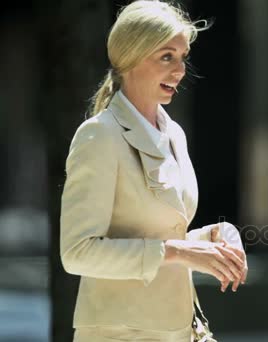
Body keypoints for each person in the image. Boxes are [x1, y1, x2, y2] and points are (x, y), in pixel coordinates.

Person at [60, 1, 247, 341]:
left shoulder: (174, 133)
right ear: (131, 57)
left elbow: (157, 236)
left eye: (182, 57)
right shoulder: (99, 134)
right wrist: (180, 251)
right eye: (166, 57)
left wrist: (210, 241)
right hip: (119, 333)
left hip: (178, 328)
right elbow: (77, 253)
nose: (179, 71)